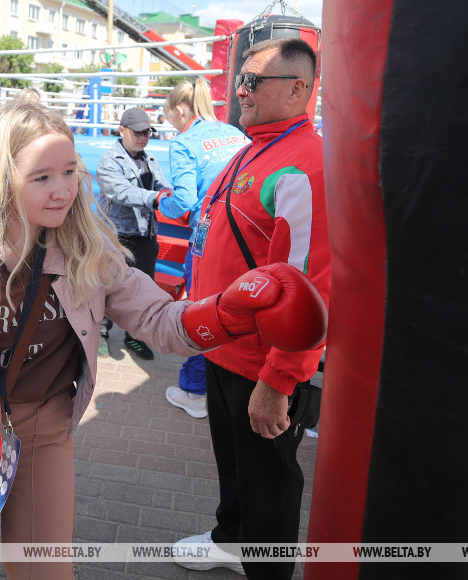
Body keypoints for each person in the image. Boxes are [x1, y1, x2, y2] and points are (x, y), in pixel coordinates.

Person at [0, 101, 324, 578]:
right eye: (42, 177)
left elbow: (159, 319)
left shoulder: (89, 251)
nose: (63, 191)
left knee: (46, 573)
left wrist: (227, 314)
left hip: (43, 431)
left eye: (70, 172)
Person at [173, 38, 329, 580]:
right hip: (223, 346)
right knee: (235, 467)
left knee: (269, 481)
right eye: (240, 79)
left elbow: (311, 288)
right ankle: (230, 540)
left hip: (260, 363)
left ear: (297, 89)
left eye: (253, 81)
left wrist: (279, 380)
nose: (240, 90)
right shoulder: (253, 147)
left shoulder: (305, 166)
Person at [159, 78, 250, 419]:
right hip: (245, 231)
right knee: (240, 305)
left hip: (208, 237)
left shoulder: (184, 143)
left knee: (202, 308)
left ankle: (195, 390)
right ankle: (231, 380)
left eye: (169, 115)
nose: (170, 122)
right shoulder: (235, 133)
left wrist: (161, 203)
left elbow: (184, 199)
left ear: (180, 109)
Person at [96, 107, 172, 360]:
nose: (143, 137)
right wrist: (158, 198)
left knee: (143, 290)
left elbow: (162, 185)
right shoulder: (109, 160)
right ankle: (100, 334)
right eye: (137, 132)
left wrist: (171, 194)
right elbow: (120, 192)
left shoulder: (150, 159)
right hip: (117, 236)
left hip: (145, 235)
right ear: (122, 130)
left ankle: (135, 336)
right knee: (107, 287)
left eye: (147, 132)